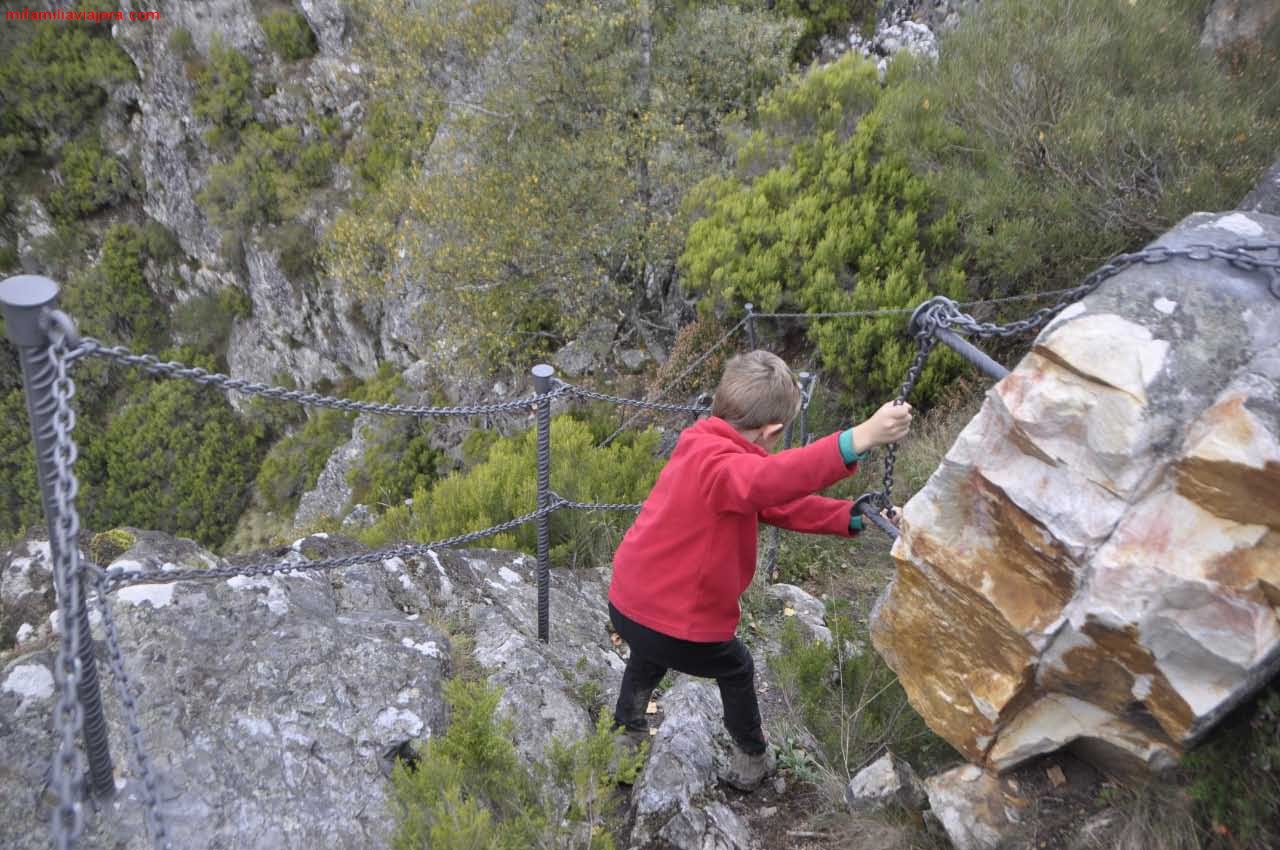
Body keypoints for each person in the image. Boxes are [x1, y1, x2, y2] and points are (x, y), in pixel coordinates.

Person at [607, 350, 911, 790]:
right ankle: (751, 759)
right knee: (735, 667)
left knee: (647, 655)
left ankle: (625, 737)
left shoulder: (698, 442)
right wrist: (858, 438)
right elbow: (769, 482)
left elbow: (773, 501)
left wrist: (850, 515)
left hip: (627, 604)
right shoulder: (727, 468)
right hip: (676, 623)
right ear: (771, 432)